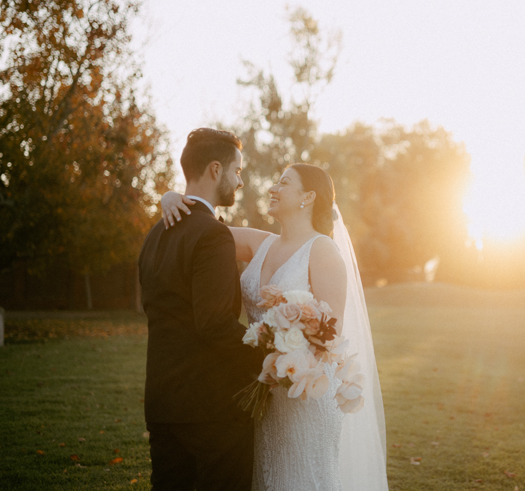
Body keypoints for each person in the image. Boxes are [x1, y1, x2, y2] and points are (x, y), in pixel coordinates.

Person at [161, 163, 388, 491]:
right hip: (263, 394)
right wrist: (170, 197)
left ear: (307, 197)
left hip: (303, 394)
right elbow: (201, 230)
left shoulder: (322, 250)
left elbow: (328, 335)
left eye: (283, 183)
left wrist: (283, 358)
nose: (272, 188)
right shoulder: (259, 244)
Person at [139, 128, 261, 491]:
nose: (239, 181)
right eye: (236, 171)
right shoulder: (212, 235)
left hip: (163, 405)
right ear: (214, 169)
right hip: (211, 410)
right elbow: (216, 324)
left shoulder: (155, 233)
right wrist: (269, 353)